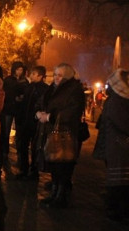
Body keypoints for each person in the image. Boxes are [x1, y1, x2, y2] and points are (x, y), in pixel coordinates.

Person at [35, 63, 86, 208]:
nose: (56, 78)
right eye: (55, 74)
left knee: (63, 166)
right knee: (54, 164)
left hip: (65, 134)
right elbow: (41, 102)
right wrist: (38, 112)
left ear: (67, 76)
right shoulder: (52, 88)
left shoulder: (74, 90)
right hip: (50, 132)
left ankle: (61, 196)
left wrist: (50, 117)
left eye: (60, 75)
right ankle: (54, 193)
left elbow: (73, 111)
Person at [93, 68, 129, 221]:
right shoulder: (118, 100)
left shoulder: (117, 99)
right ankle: (117, 210)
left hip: (117, 145)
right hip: (118, 146)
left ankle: (116, 208)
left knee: (120, 179)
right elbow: (123, 123)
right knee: (118, 180)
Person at [15, 65, 49, 179]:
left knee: (35, 148)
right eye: (31, 73)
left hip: (36, 123)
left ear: (40, 76)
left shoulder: (45, 89)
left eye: (34, 74)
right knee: (23, 146)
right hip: (25, 122)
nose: (31, 75)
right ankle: (24, 169)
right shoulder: (29, 87)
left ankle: (34, 171)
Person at [0, 61, 27, 177]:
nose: (20, 71)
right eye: (18, 69)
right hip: (8, 110)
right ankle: (5, 153)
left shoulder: (24, 81)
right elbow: (7, 94)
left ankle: (19, 155)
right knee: (6, 131)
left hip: (19, 111)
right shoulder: (9, 80)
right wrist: (15, 98)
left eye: (21, 69)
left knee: (20, 133)